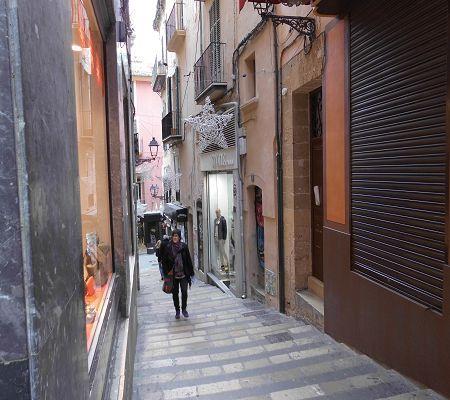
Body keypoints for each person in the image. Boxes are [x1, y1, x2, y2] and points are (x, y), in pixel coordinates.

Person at [162, 230, 194, 319]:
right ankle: (177, 310)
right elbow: (164, 261)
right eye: (173, 236)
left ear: (179, 237)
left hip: (183, 274)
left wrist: (191, 273)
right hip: (173, 275)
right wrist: (166, 273)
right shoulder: (168, 247)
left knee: (184, 292)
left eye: (176, 236)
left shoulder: (184, 246)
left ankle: (184, 309)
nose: (175, 238)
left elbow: (188, 260)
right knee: (175, 293)